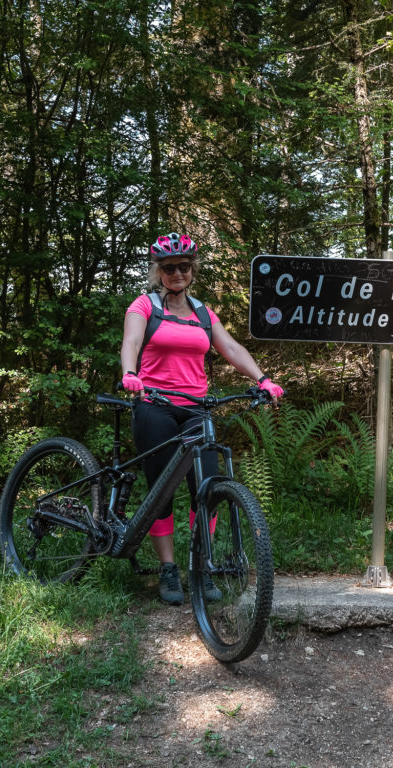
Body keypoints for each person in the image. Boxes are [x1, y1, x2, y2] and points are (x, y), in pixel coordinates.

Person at [120, 232, 284, 605]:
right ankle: (167, 569)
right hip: (154, 404)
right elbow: (130, 342)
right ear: (159, 272)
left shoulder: (202, 312)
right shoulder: (143, 306)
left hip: (196, 407)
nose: (177, 273)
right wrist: (131, 373)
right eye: (169, 268)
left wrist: (262, 379)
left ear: (192, 270)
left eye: (183, 267)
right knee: (162, 490)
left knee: (206, 488)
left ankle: (201, 565)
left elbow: (230, 347)